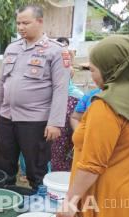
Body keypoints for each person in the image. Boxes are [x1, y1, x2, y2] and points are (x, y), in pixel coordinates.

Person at [56, 35, 129, 217]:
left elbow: (92, 164)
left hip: (102, 204)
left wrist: (70, 201)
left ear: (111, 69)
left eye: (93, 70)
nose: (92, 77)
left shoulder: (106, 106)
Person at [0, 5, 70, 192]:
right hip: (7, 118)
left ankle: (41, 206)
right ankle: (5, 203)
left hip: (36, 121)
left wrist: (55, 122)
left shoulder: (56, 50)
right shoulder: (12, 48)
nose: (20, 27)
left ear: (40, 22)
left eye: (25, 23)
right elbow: (2, 81)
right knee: (3, 164)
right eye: (18, 23)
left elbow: (61, 88)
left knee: (37, 168)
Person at [50, 37, 84, 171]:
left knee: (60, 142)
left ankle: (59, 172)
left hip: (65, 103)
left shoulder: (61, 65)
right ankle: (65, 171)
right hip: (71, 101)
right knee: (66, 142)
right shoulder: (66, 66)